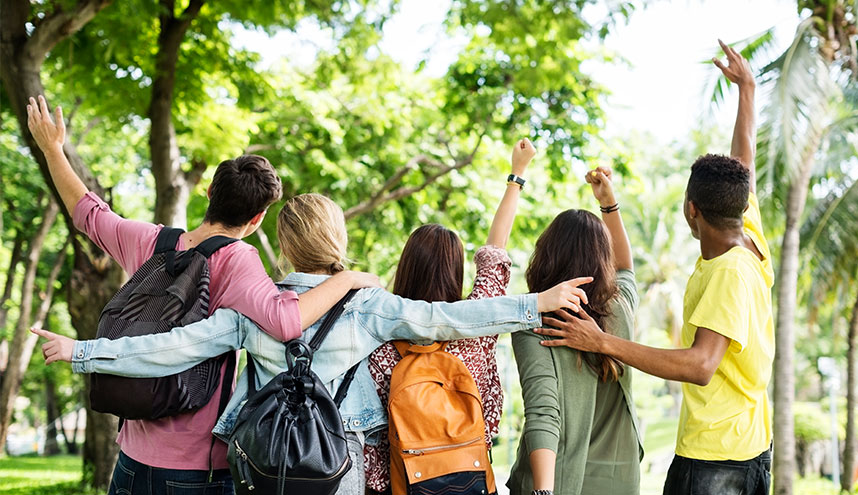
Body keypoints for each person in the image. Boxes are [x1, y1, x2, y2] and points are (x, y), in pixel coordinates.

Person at [33, 192, 592, 495]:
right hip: (338, 466)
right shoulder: (368, 304)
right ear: (337, 241)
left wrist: (82, 351)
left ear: (283, 247)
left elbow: (171, 347)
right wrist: (534, 305)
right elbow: (451, 319)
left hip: (261, 463)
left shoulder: (253, 307)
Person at [25, 96, 378, 494]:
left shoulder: (150, 241)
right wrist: (348, 279)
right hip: (194, 469)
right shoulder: (239, 260)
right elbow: (286, 321)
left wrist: (53, 149)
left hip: (130, 459)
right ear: (257, 217)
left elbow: (89, 213)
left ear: (209, 192)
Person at [534, 40, 774, 495]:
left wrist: (603, 341)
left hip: (716, 459)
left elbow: (702, 364)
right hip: (751, 445)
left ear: (690, 210)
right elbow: (743, 161)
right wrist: (747, 91)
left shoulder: (728, 273)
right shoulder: (747, 231)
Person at [364, 138, 537, 493]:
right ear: (455, 271)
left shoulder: (377, 336)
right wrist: (516, 175)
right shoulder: (477, 326)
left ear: (406, 266)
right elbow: (495, 252)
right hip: (468, 479)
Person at [507, 165, 642, 495]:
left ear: (546, 255)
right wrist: (609, 203)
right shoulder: (619, 308)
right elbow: (625, 267)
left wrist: (543, 491)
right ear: (602, 259)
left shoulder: (536, 320)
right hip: (620, 480)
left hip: (560, 482)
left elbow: (543, 414)